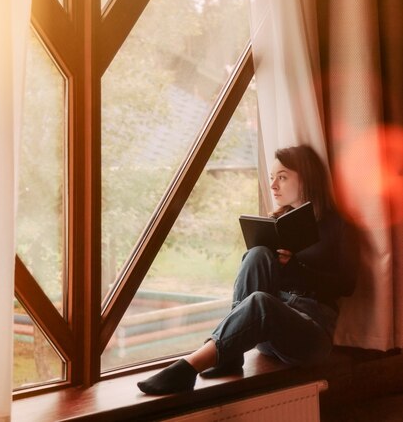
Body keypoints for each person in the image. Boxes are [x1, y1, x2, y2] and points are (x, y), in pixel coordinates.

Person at [137, 144, 358, 395]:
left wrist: (298, 270)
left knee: (261, 302)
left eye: (282, 177)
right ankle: (230, 354)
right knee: (257, 254)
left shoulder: (339, 226)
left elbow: (347, 286)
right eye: (272, 178)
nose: (273, 185)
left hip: (310, 333)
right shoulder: (278, 223)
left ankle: (189, 367)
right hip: (267, 330)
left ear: (307, 178)